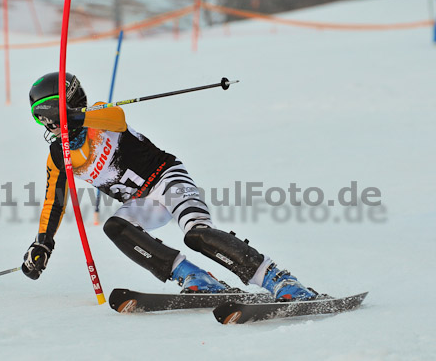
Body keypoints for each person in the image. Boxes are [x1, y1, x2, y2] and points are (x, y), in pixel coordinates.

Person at [22, 72, 317, 300]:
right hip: (144, 202)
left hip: (167, 178)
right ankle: (194, 277)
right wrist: (43, 243)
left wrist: (77, 117)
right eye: (42, 119)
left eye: (50, 115)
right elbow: (54, 201)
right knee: (115, 227)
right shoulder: (59, 157)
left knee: (197, 235)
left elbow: (118, 119)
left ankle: (277, 278)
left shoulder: (100, 115)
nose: (49, 125)